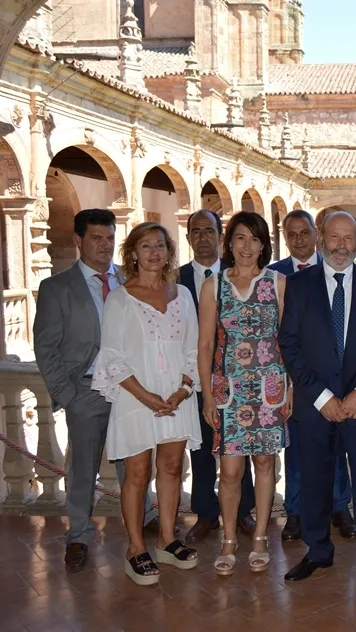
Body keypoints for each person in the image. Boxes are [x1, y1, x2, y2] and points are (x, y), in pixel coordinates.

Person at [33, 208, 156, 570]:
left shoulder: (130, 280)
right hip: (85, 391)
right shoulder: (56, 288)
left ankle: (144, 518)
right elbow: (46, 348)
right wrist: (68, 396)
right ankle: (79, 534)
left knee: (135, 462)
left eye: (110, 238)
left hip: (130, 389)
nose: (105, 245)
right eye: (96, 238)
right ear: (78, 240)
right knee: (83, 468)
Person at [280, 211, 356, 582]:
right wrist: (321, 396)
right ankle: (318, 550)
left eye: (348, 238)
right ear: (321, 239)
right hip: (316, 405)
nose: (341, 245)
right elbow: (290, 344)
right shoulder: (299, 285)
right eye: (334, 237)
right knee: (314, 479)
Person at [92, 222, 201, 585]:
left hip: (175, 395)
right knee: (137, 473)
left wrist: (183, 390)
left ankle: (167, 540)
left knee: (171, 467)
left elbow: (192, 349)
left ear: (169, 253)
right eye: (146, 246)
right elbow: (111, 356)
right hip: (135, 395)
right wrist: (146, 396)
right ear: (133, 254)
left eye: (160, 245)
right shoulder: (120, 298)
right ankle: (135, 548)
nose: (154, 253)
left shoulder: (183, 295)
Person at [197, 211, 288, 576]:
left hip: (268, 389)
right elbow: (205, 345)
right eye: (239, 238)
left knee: (265, 463)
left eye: (254, 239)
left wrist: (291, 388)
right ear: (229, 243)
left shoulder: (278, 283)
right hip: (229, 391)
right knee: (230, 471)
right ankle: (230, 538)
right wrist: (208, 395)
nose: (247, 246)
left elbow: (287, 341)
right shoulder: (213, 286)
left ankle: (261, 536)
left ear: (263, 244)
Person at [269, 210, 355, 542]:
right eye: (291, 234)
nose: (299, 240)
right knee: (296, 450)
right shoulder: (275, 275)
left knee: (339, 449)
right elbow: (283, 337)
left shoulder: (337, 266)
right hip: (297, 382)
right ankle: (295, 511)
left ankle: (339, 506)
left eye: (304, 232)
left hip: (338, 381)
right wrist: (290, 383)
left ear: (316, 235)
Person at [179, 210, 257, 546]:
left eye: (209, 231)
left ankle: (243, 510)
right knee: (201, 448)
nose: (203, 238)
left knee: (242, 446)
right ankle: (206, 512)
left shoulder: (237, 272)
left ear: (220, 236)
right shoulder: (176, 278)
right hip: (195, 377)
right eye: (195, 231)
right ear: (188, 238)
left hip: (237, 378)